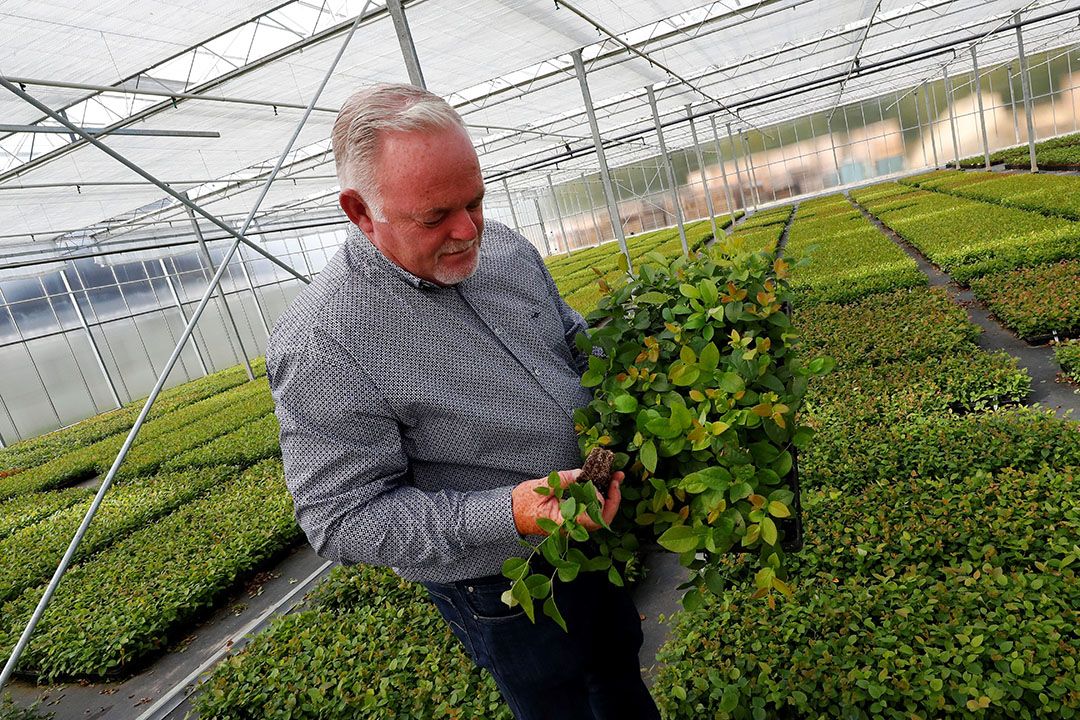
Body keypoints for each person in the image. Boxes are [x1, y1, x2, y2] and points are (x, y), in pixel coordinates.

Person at [266, 83, 661, 720]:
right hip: (503, 581)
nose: (467, 230)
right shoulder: (325, 342)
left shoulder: (504, 248)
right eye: (435, 217)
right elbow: (340, 517)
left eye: (475, 201)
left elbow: (566, 335)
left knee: (618, 665)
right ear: (361, 213)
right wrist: (512, 513)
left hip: (595, 529)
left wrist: (633, 371)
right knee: (556, 699)